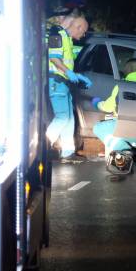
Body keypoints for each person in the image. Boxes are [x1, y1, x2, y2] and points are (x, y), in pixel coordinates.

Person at [92, 59, 136, 174]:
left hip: (127, 127)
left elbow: (108, 107)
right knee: (134, 134)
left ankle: (123, 150)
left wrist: (97, 103)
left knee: (99, 128)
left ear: (129, 69)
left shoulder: (122, 85)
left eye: (125, 68)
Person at [46, 11, 92, 161]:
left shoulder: (66, 38)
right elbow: (54, 58)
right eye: (84, 31)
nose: (84, 35)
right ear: (78, 26)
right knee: (63, 117)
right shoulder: (56, 34)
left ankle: (67, 152)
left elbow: (65, 62)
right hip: (57, 82)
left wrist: (76, 75)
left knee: (70, 118)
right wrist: (70, 73)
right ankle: (44, 144)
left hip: (63, 82)